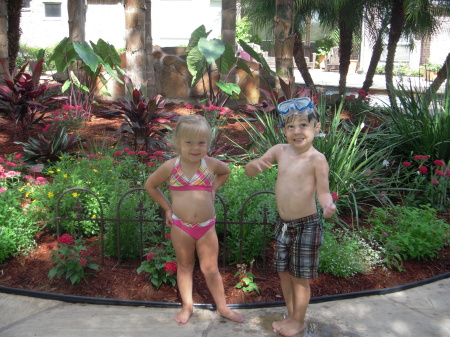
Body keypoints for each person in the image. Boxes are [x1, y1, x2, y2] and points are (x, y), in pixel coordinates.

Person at [244, 97, 336, 337]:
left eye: (304, 125)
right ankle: (292, 315)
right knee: (284, 273)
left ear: (316, 127)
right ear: (283, 130)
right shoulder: (280, 151)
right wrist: (254, 166)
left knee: (300, 277)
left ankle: (298, 320)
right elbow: (258, 164)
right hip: (284, 225)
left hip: (307, 225)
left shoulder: (317, 159)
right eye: (291, 126)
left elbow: (323, 191)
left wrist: (328, 205)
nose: (297, 131)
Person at [145, 114, 245, 325]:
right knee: (185, 266)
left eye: (201, 142)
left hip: (207, 227)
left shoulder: (210, 164)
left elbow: (225, 172)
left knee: (211, 269)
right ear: (178, 143)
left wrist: (213, 189)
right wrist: (167, 208)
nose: (195, 147)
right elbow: (150, 185)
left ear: (207, 143)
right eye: (189, 142)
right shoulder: (171, 166)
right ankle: (187, 306)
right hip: (181, 226)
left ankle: (223, 307)